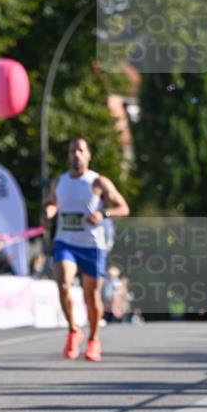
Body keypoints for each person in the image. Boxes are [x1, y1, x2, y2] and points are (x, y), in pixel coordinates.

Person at [43, 136, 129, 361]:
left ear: (88, 154)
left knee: (92, 296)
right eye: (72, 151)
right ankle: (73, 330)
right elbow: (52, 203)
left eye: (80, 150)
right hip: (66, 242)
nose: (76, 154)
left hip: (92, 245)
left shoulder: (99, 182)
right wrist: (48, 213)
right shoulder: (59, 181)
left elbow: (123, 207)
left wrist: (104, 213)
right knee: (63, 284)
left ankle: (94, 339)